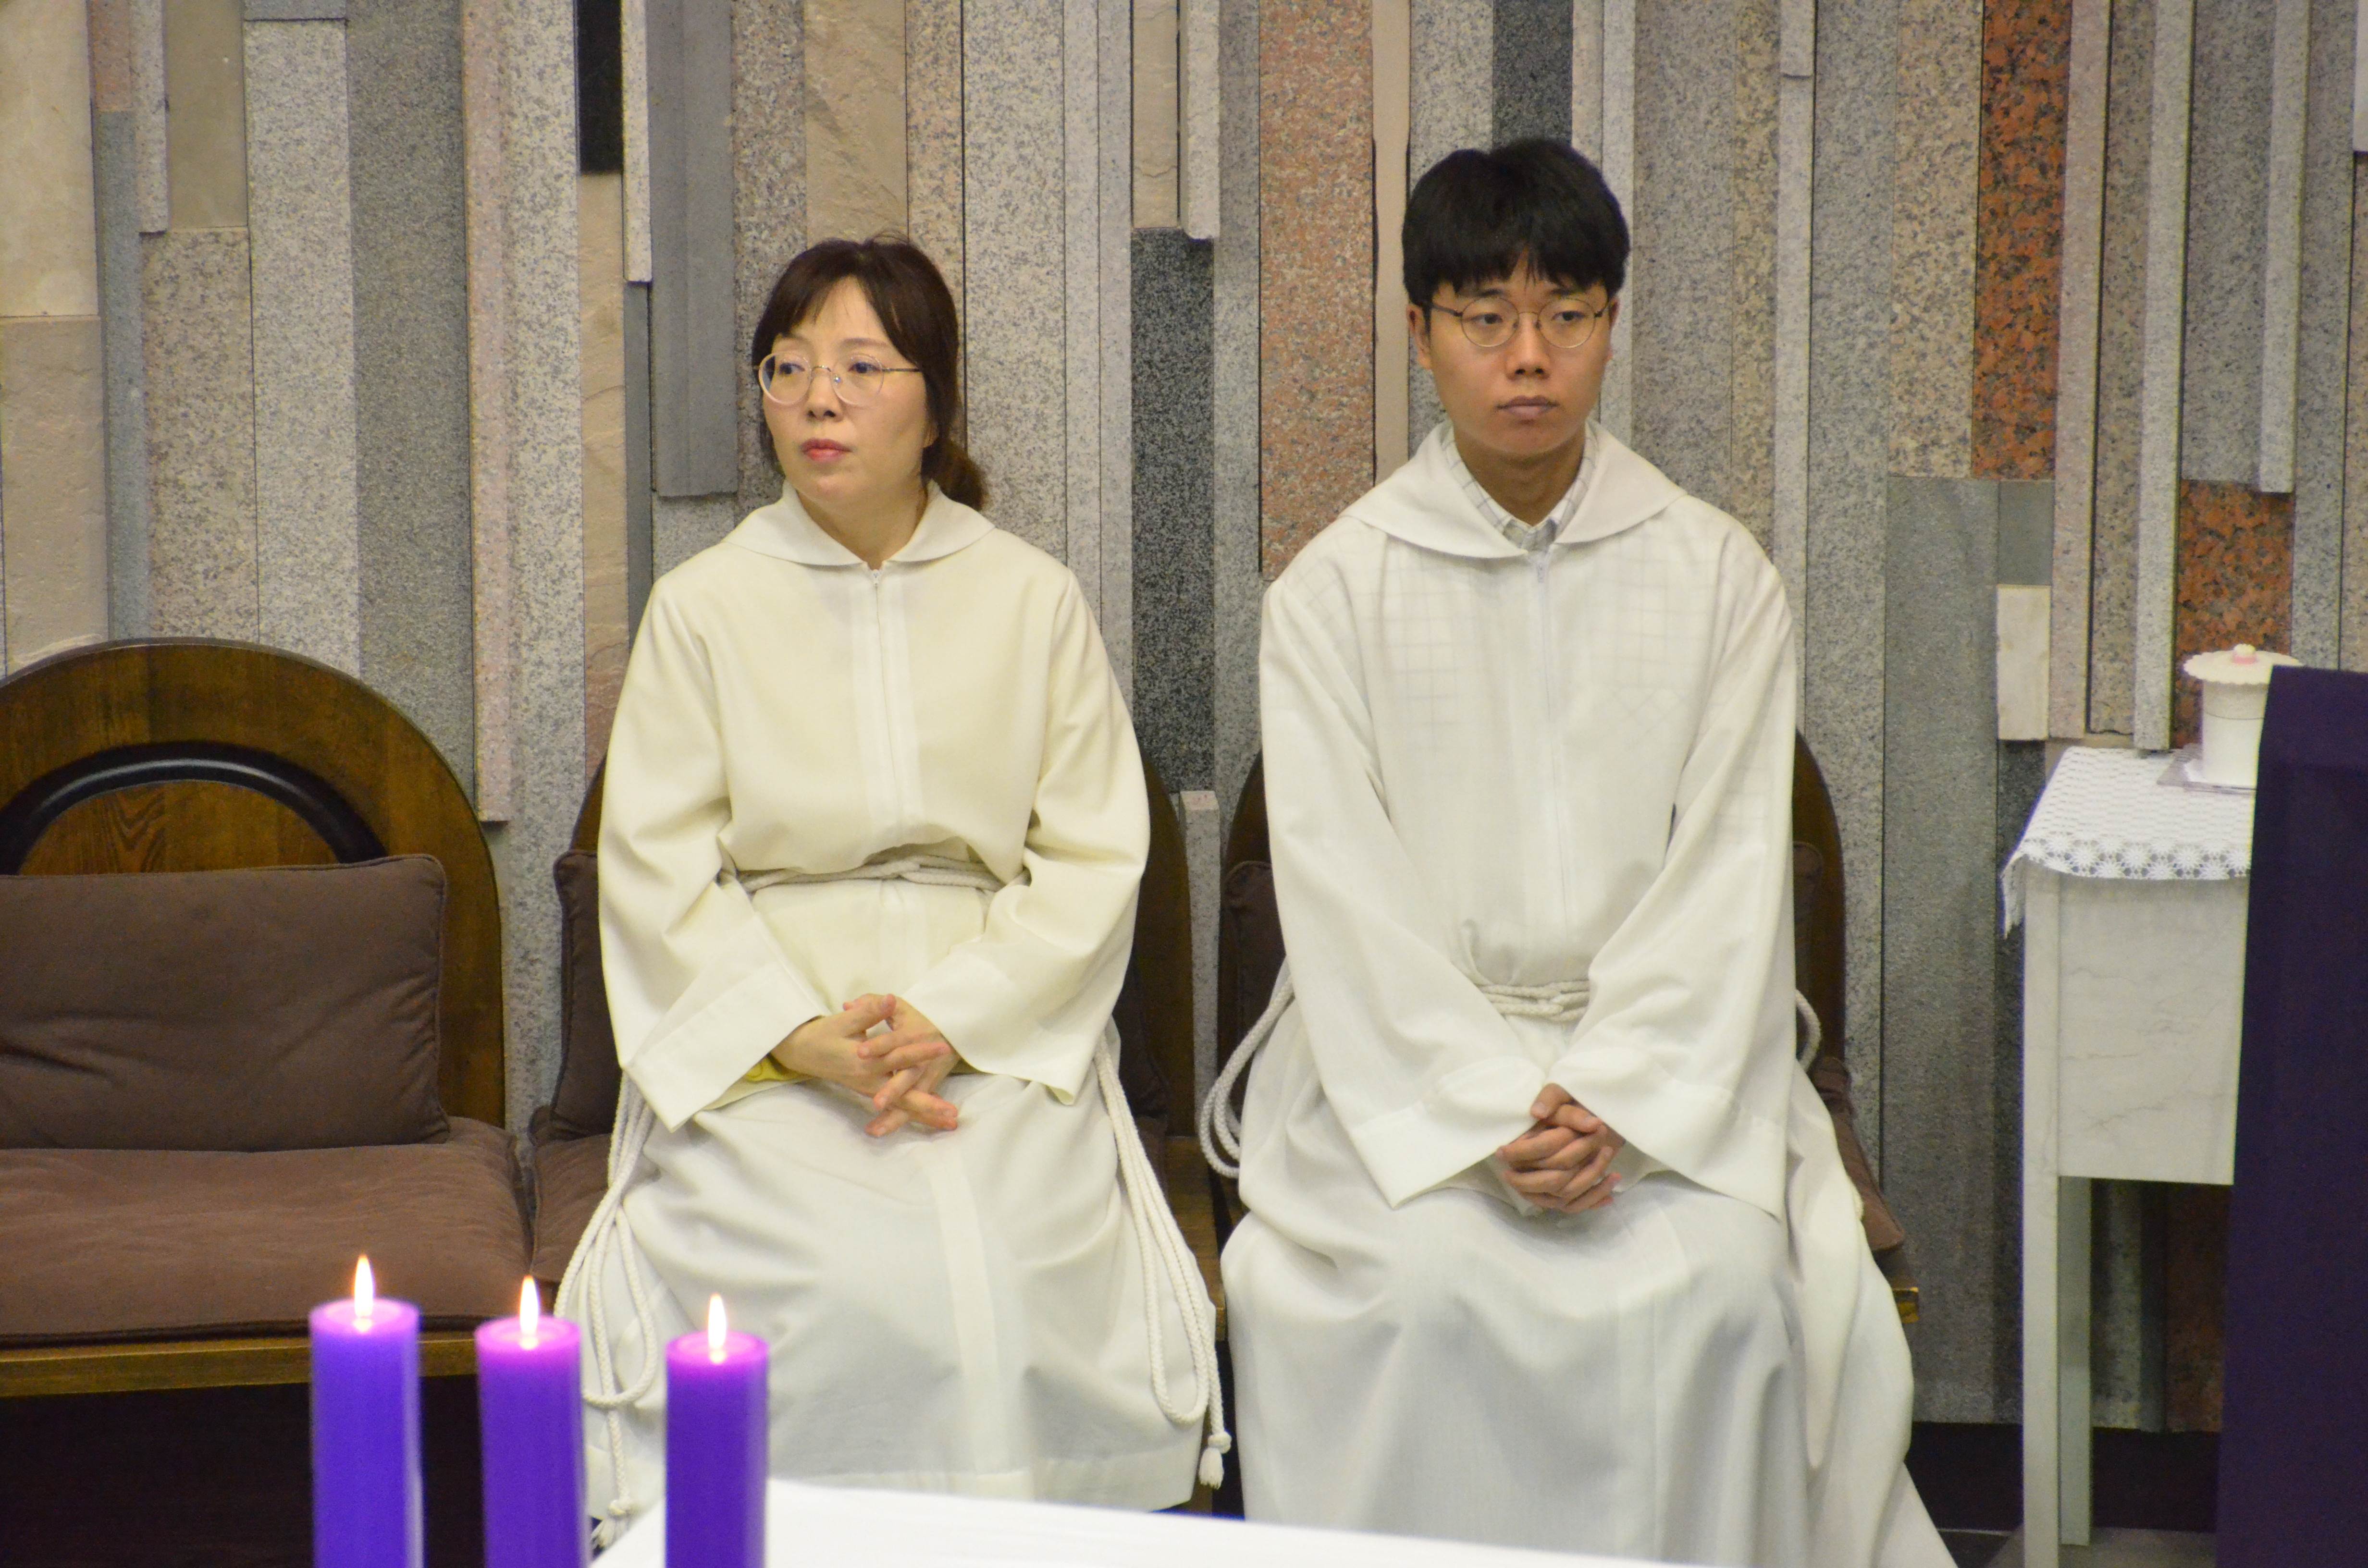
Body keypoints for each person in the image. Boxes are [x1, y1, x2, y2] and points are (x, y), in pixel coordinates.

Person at [1209, 142, 1950, 1567]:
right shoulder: (1334, 594)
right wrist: (1485, 1111)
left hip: (1668, 1074)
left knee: (1722, 1295)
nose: (1529, 356)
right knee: (1414, 1296)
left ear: (1613, 322)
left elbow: (1733, 880)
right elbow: (1343, 900)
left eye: (1569, 313)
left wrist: (1614, 1095)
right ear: (1421, 330)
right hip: (1403, 1075)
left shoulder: (1714, 575)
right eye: (1486, 317)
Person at [559, 237, 1223, 1544]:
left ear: (935, 403)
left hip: (994, 1023)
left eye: (863, 367)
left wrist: (952, 1022)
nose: (820, 398)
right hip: (773, 1023)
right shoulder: (704, 608)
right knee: (826, 1279)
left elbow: (1093, 853)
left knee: (1005, 1268)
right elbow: (657, 866)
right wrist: (799, 1040)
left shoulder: (1030, 599)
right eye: (790, 367)